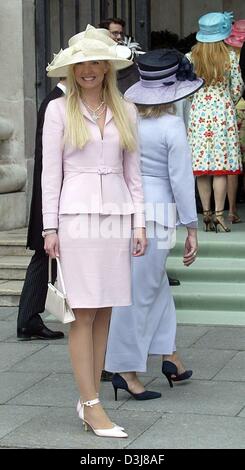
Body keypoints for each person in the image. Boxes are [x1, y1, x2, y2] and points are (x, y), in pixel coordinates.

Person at [42, 24, 147, 438]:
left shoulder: (127, 109)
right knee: (82, 313)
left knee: (104, 310)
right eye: (81, 63)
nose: (88, 69)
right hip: (76, 220)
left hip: (116, 218)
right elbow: (51, 174)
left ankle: (90, 400)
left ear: (107, 67)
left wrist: (139, 222)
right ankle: (91, 404)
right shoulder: (58, 110)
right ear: (72, 69)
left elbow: (133, 173)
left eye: (96, 62)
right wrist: (49, 227)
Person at [105, 49, 202, 397]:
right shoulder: (172, 125)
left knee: (155, 288)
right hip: (158, 216)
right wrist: (192, 227)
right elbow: (180, 179)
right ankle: (124, 370)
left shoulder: (126, 118)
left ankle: (169, 356)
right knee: (140, 295)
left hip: (130, 211)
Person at [17, 80, 66, 340]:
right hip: (50, 195)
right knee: (44, 258)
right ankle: (28, 319)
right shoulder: (54, 102)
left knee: (45, 258)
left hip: (52, 195)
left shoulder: (56, 100)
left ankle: (29, 318)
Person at [186, 12, 243, 232]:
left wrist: (199, 100)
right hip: (222, 113)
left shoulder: (191, 57)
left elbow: (187, 89)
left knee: (202, 169)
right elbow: (237, 87)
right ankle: (220, 214)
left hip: (199, 113)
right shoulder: (229, 57)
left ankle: (207, 214)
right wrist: (226, 100)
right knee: (220, 167)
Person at [225, 20, 245, 222]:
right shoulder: (231, 58)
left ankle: (229, 208)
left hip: (229, 114)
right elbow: (238, 87)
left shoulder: (227, 55)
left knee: (230, 162)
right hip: (235, 109)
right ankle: (232, 210)